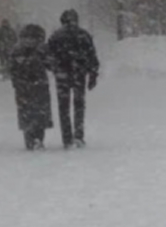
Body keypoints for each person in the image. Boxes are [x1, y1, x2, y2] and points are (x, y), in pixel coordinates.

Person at [46, 9, 100, 149]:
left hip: (62, 76)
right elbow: (92, 56)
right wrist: (92, 75)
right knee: (79, 106)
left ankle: (67, 138)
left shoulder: (56, 36)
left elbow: (48, 57)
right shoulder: (84, 35)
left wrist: (56, 69)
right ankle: (79, 136)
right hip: (79, 75)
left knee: (63, 107)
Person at [9, 23, 55, 151]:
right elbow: (51, 65)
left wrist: (16, 82)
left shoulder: (17, 50)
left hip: (24, 86)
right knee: (40, 113)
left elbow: (12, 69)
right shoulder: (42, 50)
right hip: (38, 84)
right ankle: (38, 139)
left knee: (26, 112)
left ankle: (30, 139)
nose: (29, 41)